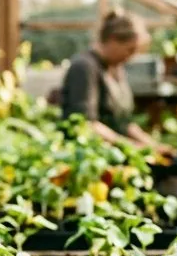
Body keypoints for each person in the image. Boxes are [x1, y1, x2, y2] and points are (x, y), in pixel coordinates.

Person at [59, 11, 169, 153]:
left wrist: (153, 146)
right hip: (89, 154)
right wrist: (131, 146)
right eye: (130, 50)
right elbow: (86, 123)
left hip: (115, 152)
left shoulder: (116, 69)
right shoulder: (84, 67)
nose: (131, 57)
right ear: (113, 40)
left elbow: (123, 123)